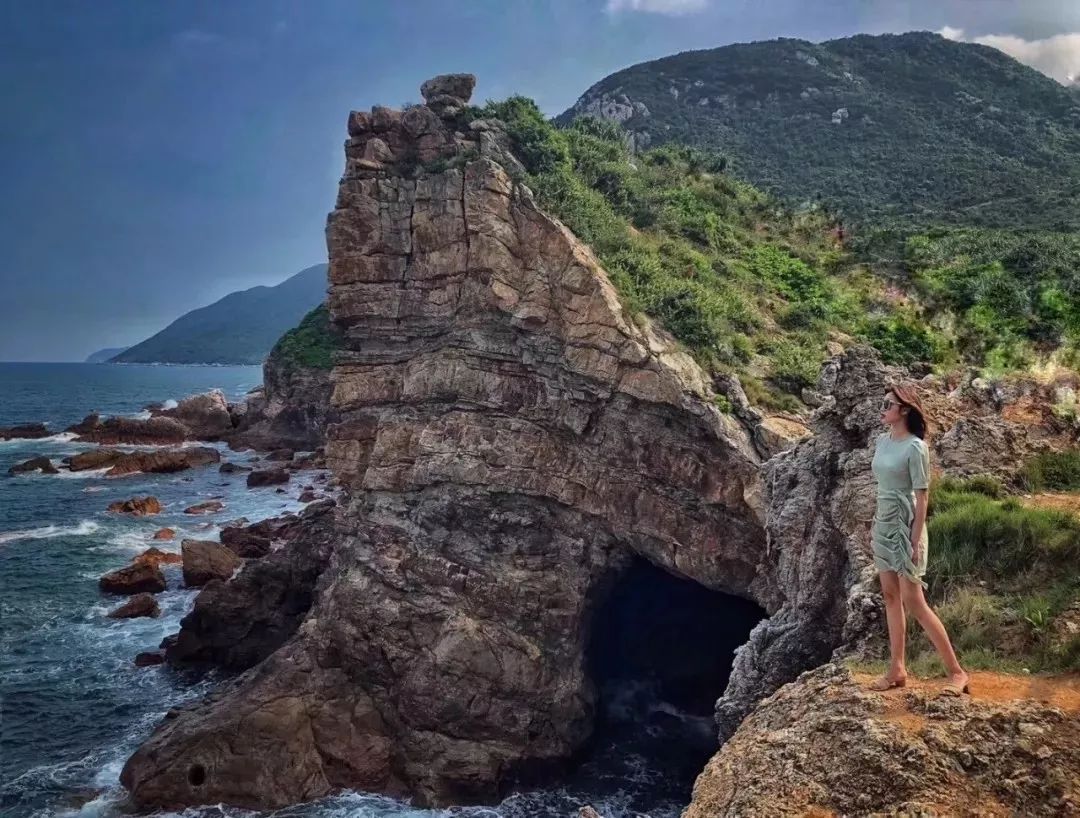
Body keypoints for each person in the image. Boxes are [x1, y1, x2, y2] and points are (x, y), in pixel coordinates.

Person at [868, 382, 970, 695]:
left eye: (888, 404)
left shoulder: (916, 447)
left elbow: (922, 496)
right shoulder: (883, 442)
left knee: (914, 600)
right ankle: (897, 668)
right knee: (889, 595)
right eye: (883, 403)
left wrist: (914, 541)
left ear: (905, 410)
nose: (883, 409)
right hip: (883, 521)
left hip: (907, 522)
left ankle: (957, 672)